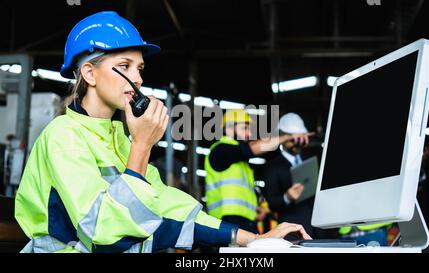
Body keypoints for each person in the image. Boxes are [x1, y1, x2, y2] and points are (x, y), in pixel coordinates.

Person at [14, 11, 311, 253]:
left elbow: (169, 207)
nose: (138, 79)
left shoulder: (119, 138)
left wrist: (253, 239)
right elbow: (103, 232)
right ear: (89, 73)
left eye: (140, 68)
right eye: (125, 66)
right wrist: (142, 145)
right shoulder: (63, 136)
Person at [204, 109, 314, 234]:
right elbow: (252, 149)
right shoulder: (220, 151)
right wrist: (288, 137)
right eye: (244, 128)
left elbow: (240, 192)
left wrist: (257, 208)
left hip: (245, 221)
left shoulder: (239, 162)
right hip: (226, 223)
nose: (249, 133)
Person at [263, 113, 319, 239]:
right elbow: (272, 203)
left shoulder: (313, 158)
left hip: (319, 231)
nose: (297, 143)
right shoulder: (272, 166)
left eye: (299, 138)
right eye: (293, 139)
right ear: (282, 137)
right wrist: (287, 197)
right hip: (293, 232)